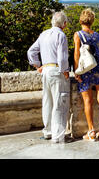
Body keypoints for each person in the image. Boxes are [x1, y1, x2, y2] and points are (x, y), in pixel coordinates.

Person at [27, 11, 70, 144]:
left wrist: (37, 66)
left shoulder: (43, 34)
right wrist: (65, 71)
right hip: (56, 70)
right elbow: (62, 58)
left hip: (45, 70)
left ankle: (48, 131)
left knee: (47, 101)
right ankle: (57, 135)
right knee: (59, 102)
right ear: (64, 24)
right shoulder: (61, 35)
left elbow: (31, 51)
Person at [74, 8, 99, 141]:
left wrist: (77, 70)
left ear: (81, 20)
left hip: (86, 69)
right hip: (98, 66)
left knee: (88, 100)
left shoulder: (78, 35)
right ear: (92, 21)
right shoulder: (97, 35)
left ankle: (92, 131)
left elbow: (77, 54)